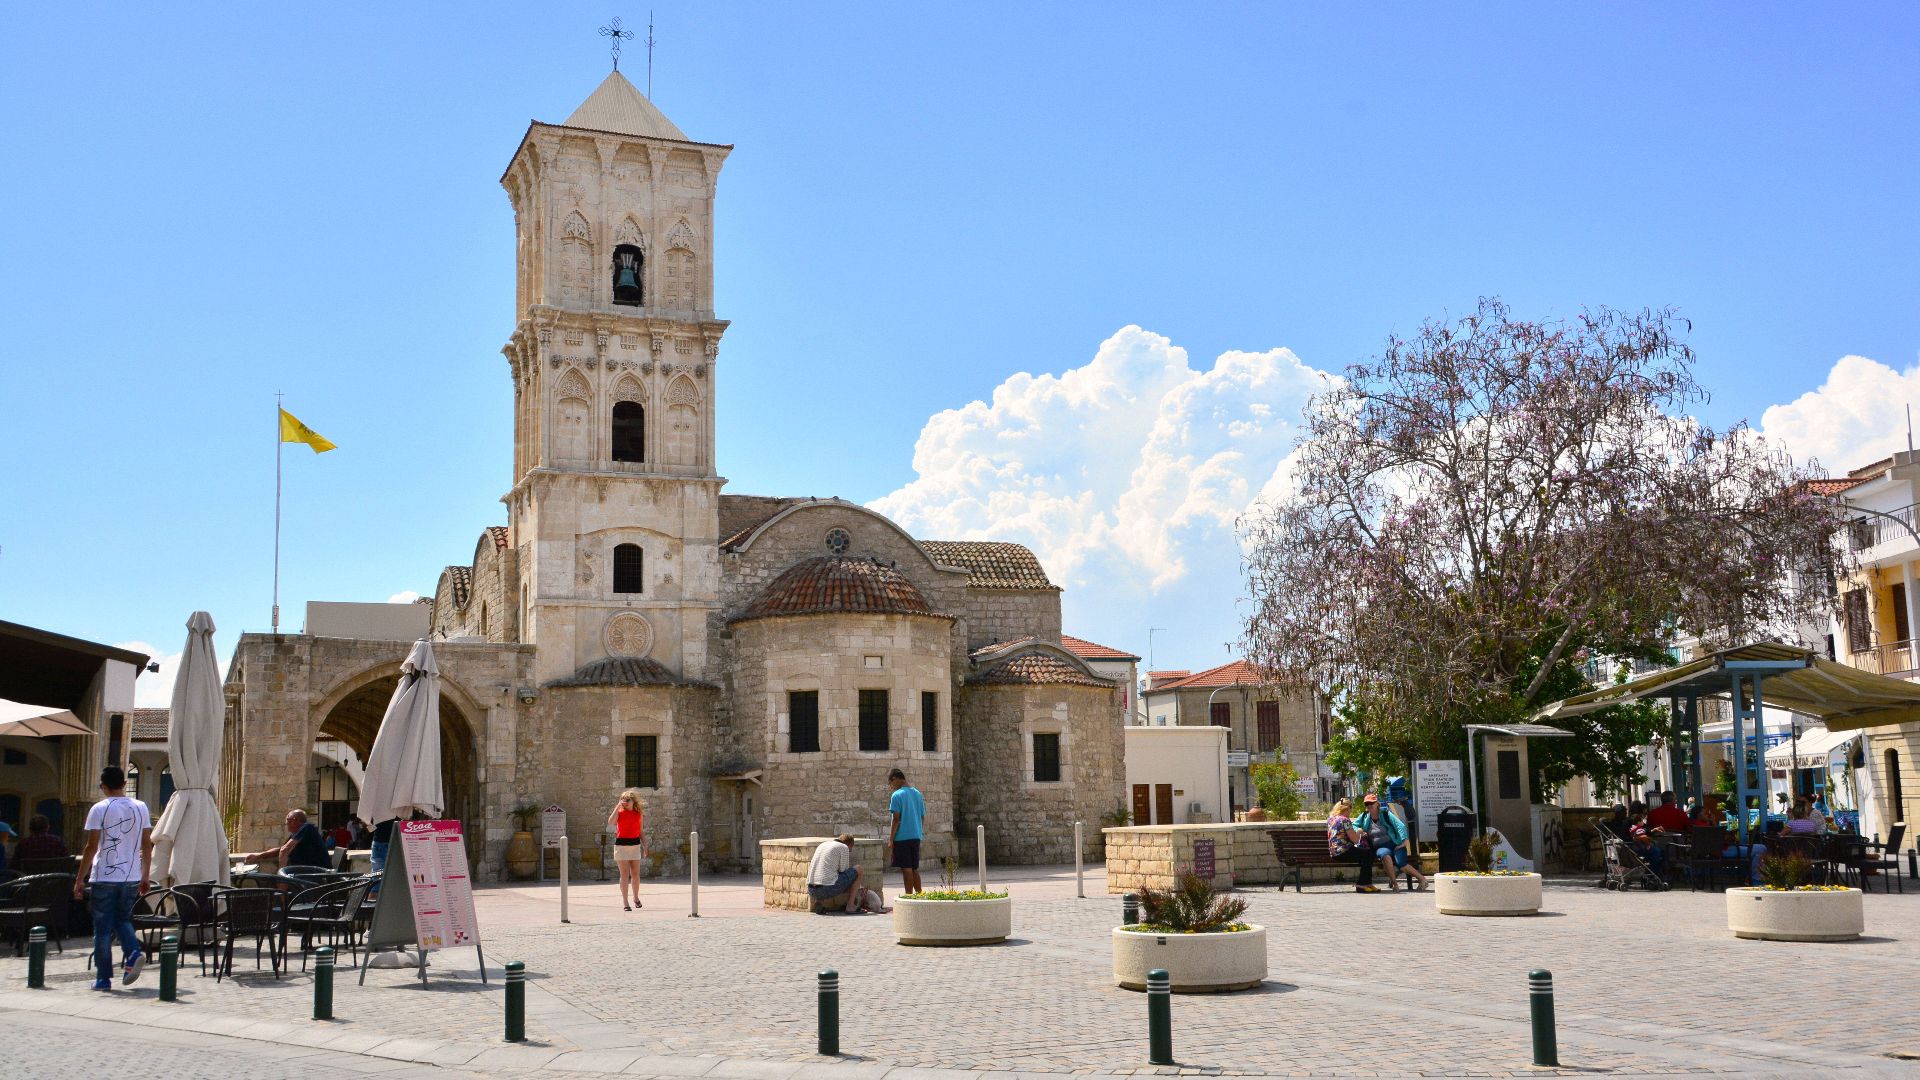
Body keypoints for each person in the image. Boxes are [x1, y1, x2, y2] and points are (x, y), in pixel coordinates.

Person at [74, 766, 152, 991]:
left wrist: (80, 878)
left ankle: (103, 978)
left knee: (102, 927)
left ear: (103, 786)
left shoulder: (99, 808)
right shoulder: (141, 807)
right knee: (123, 918)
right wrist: (145, 874)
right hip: (131, 875)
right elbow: (146, 844)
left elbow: (91, 847)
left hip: (104, 875)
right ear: (125, 784)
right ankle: (133, 950)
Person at [1356, 793, 1428, 891]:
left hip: (1394, 843)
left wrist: (1404, 842)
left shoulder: (1385, 813)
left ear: (1377, 804)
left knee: (1401, 864)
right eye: (1367, 804)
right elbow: (1353, 825)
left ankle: (1422, 879)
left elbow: (1400, 826)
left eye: (1371, 803)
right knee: (1385, 856)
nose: (1369, 806)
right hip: (1380, 846)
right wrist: (1359, 830)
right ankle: (1395, 884)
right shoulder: (1364, 816)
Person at [807, 833, 886, 914]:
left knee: (825, 876)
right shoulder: (844, 847)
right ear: (850, 844)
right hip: (827, 889)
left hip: (811, 890)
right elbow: (843, 871)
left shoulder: (823, 845)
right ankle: (850, 906)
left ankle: (818, 903)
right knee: (859, 869)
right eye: (850, 849)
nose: (849, 851)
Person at [242, 808, 331, 869]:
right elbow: (281, 849)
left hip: (316, 873)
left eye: (288, 820)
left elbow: (284, 850)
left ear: (295, 820)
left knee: (278, 884)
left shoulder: (307, 828)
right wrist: (258, 856)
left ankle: (282, 895)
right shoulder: (296, 834)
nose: (286, 823)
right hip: (305, 872)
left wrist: (281, 874)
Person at [886, 768, 926, 895]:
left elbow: (896, 819)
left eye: (890, 784)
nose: (891, 787)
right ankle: (919, 894)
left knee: (906, 869)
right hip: (916, 836)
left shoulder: (896, 795)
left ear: (894, 779)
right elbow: (922, 816)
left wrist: (891, 838)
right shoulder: (917, 793)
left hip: (902, 837)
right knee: (914, 868)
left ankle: (909, 896)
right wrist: (918, 831)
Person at [1326, 799, 1377, 893]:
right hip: (1344, 851)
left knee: (1365, 856)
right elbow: (1355, 840)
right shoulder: (1345, 820)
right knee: (1369, 855)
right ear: (1347, 809)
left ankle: (1367, 883)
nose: (1350, 813)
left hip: (1334, 852)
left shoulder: (1331, 819)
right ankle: (1362, 884)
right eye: (1350, 810)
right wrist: (1360, 832)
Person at [607, 789, 647, 911]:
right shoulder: (619, 812)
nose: (625, 802)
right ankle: (625, 902)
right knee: (624, 875)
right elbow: (610, 822)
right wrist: (617, 806)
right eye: (623, 799)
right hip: (621, 845)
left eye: (627, 800)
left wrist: (645, 846)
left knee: (635, 874)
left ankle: (635, 898)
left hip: (634, 844)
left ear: (633, 801)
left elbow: (640, 832)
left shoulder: (638, 814)